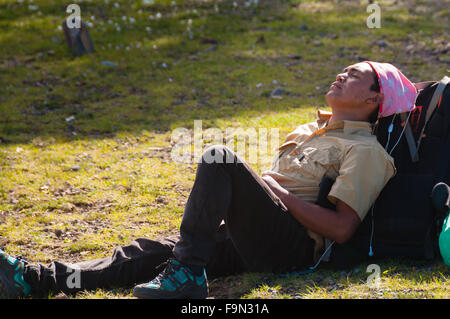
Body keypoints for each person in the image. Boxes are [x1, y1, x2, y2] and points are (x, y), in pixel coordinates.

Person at [0, 61, 418, 299]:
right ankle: (36, 279)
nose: (340, 75)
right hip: (251, 234)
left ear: (373, 99)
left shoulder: (367, 153)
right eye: (342, 70)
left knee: (220, 157)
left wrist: (275, 193)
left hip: (291, 248)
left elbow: (343, 229)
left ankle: (187, 275)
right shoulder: (310, 130)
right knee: (146, 253)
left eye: (353, 75)